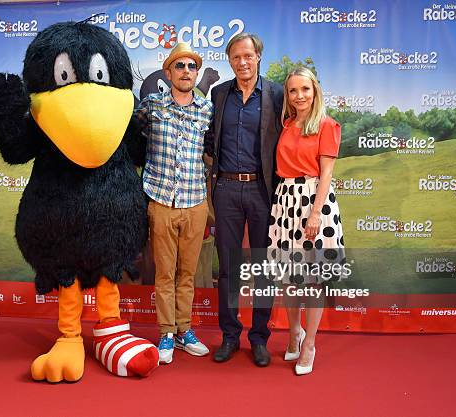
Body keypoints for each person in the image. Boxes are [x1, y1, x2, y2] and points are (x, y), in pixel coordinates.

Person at [205, 33, 284, 367]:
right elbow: (210, 139)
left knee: (265, 266)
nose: (242, 62)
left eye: (248, 56)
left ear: (258, 57)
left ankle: (259, 338)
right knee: (229, 268)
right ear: (230, 60)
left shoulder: (277, 94)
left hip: (263, 190)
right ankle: (229, 336)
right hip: (226, 189)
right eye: (236, 57)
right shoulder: (219, 93)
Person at [135, 42, 213, 364]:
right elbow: (129, 141)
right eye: (179, 66)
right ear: (168, 73)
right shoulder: (151, 105)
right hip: (161, 200)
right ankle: (166, 333)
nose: (185, 72)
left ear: (196, 73)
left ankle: (185, 331)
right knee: (164, 273)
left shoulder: (207, 111)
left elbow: (212, 151)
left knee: (187, 273)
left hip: (195, 202)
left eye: (191, 66)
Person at [267, 66, 347, 375]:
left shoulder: (326, 125)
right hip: (285, 201)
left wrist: (315, 212)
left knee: (312, 280)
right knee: (288, 278)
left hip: (314, 202)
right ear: (287, 95)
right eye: (293, 90)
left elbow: (326, 173)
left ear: (315, 91)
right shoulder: (286, 124)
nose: (300, 95)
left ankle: (310, 344)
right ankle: (294, 334)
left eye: (305, 89)